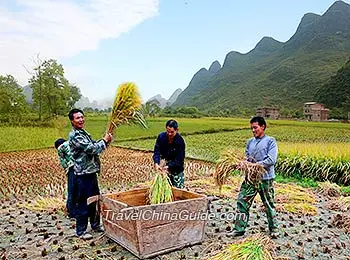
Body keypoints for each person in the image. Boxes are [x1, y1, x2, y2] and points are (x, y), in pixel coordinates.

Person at [68, 108, 112, 240]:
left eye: (82, 117)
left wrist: (105, 141)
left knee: (95, 200)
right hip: (82, 174)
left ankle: (95, 225)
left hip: (91, 172)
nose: (81, 120)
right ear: (72, 121)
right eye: (77, 118)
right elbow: (91, 149)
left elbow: (94, 146)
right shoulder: (75, 135)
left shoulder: (83, 133)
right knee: (83, 201)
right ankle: (81, 231)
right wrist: (104, 141)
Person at [232, 116, 279, 237]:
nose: (253, 130)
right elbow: (247, 157)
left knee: (268, 204)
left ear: (263, 127)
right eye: (251, 128)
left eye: (255, 127)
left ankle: (274, 229)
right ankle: (239, 229)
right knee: (242, 202)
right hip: (250, 179)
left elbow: (271, 160)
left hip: (265, 178)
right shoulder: (250, 142)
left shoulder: (270, 141)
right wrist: (242, 164)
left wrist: (254, 165)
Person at [153, 119, 186, 188]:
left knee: (178, 191)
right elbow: (157, 151)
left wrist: (168, 166)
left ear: (177, 130)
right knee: (163, 189)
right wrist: (156, 163)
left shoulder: (180, 141)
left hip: (176, 169)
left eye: (172, 132)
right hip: (164, 167)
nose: (169, 134)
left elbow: (179, 159)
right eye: (168, 131)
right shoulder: (161, 137)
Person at [54, 138, 75, 218]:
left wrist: (67, 172)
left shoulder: (61, 148)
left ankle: (70, 212)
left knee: (71, 191)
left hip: (72, 168)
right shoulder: (73, 142)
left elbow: (64, 163)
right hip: (82, 167)